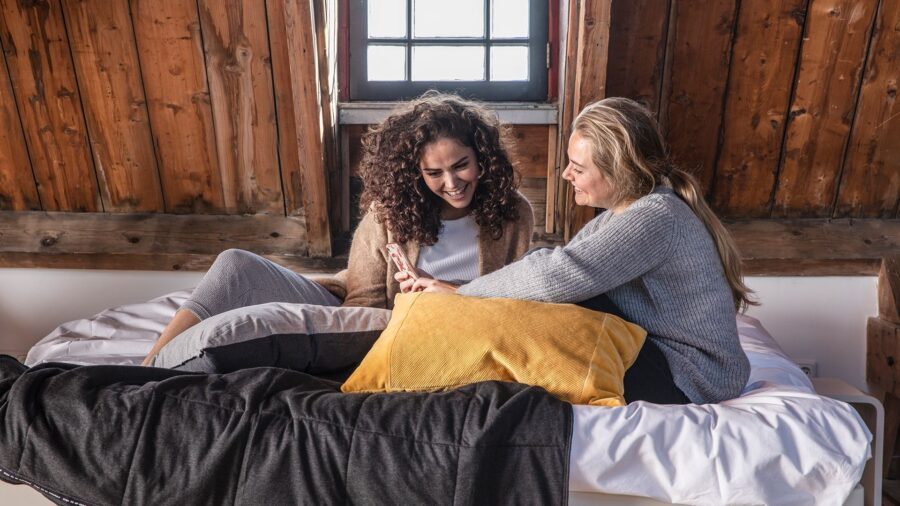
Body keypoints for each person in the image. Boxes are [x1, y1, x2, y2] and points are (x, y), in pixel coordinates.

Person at [401, 97, 754, 405]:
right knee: (540, 298)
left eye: (579, 168)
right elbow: (548, 268)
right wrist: (459, 294)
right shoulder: (620, 216)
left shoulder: (656, 216)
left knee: (553, 303)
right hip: (666, 361)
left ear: (618, 171)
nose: (566, 174)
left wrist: (461, 294)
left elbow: (558, 275)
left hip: (692, 378)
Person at [141, 92, 534, 366]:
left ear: (482, 158)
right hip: (371, 315)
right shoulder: (390, 212)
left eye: (461, 165)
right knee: (235, 266)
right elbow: (362, 303)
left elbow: (511, 301)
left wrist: (443, 294)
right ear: (416, 174)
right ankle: (146, 370)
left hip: (430, 325)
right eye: (434, 172)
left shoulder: (513, 214)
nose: (451, 182)